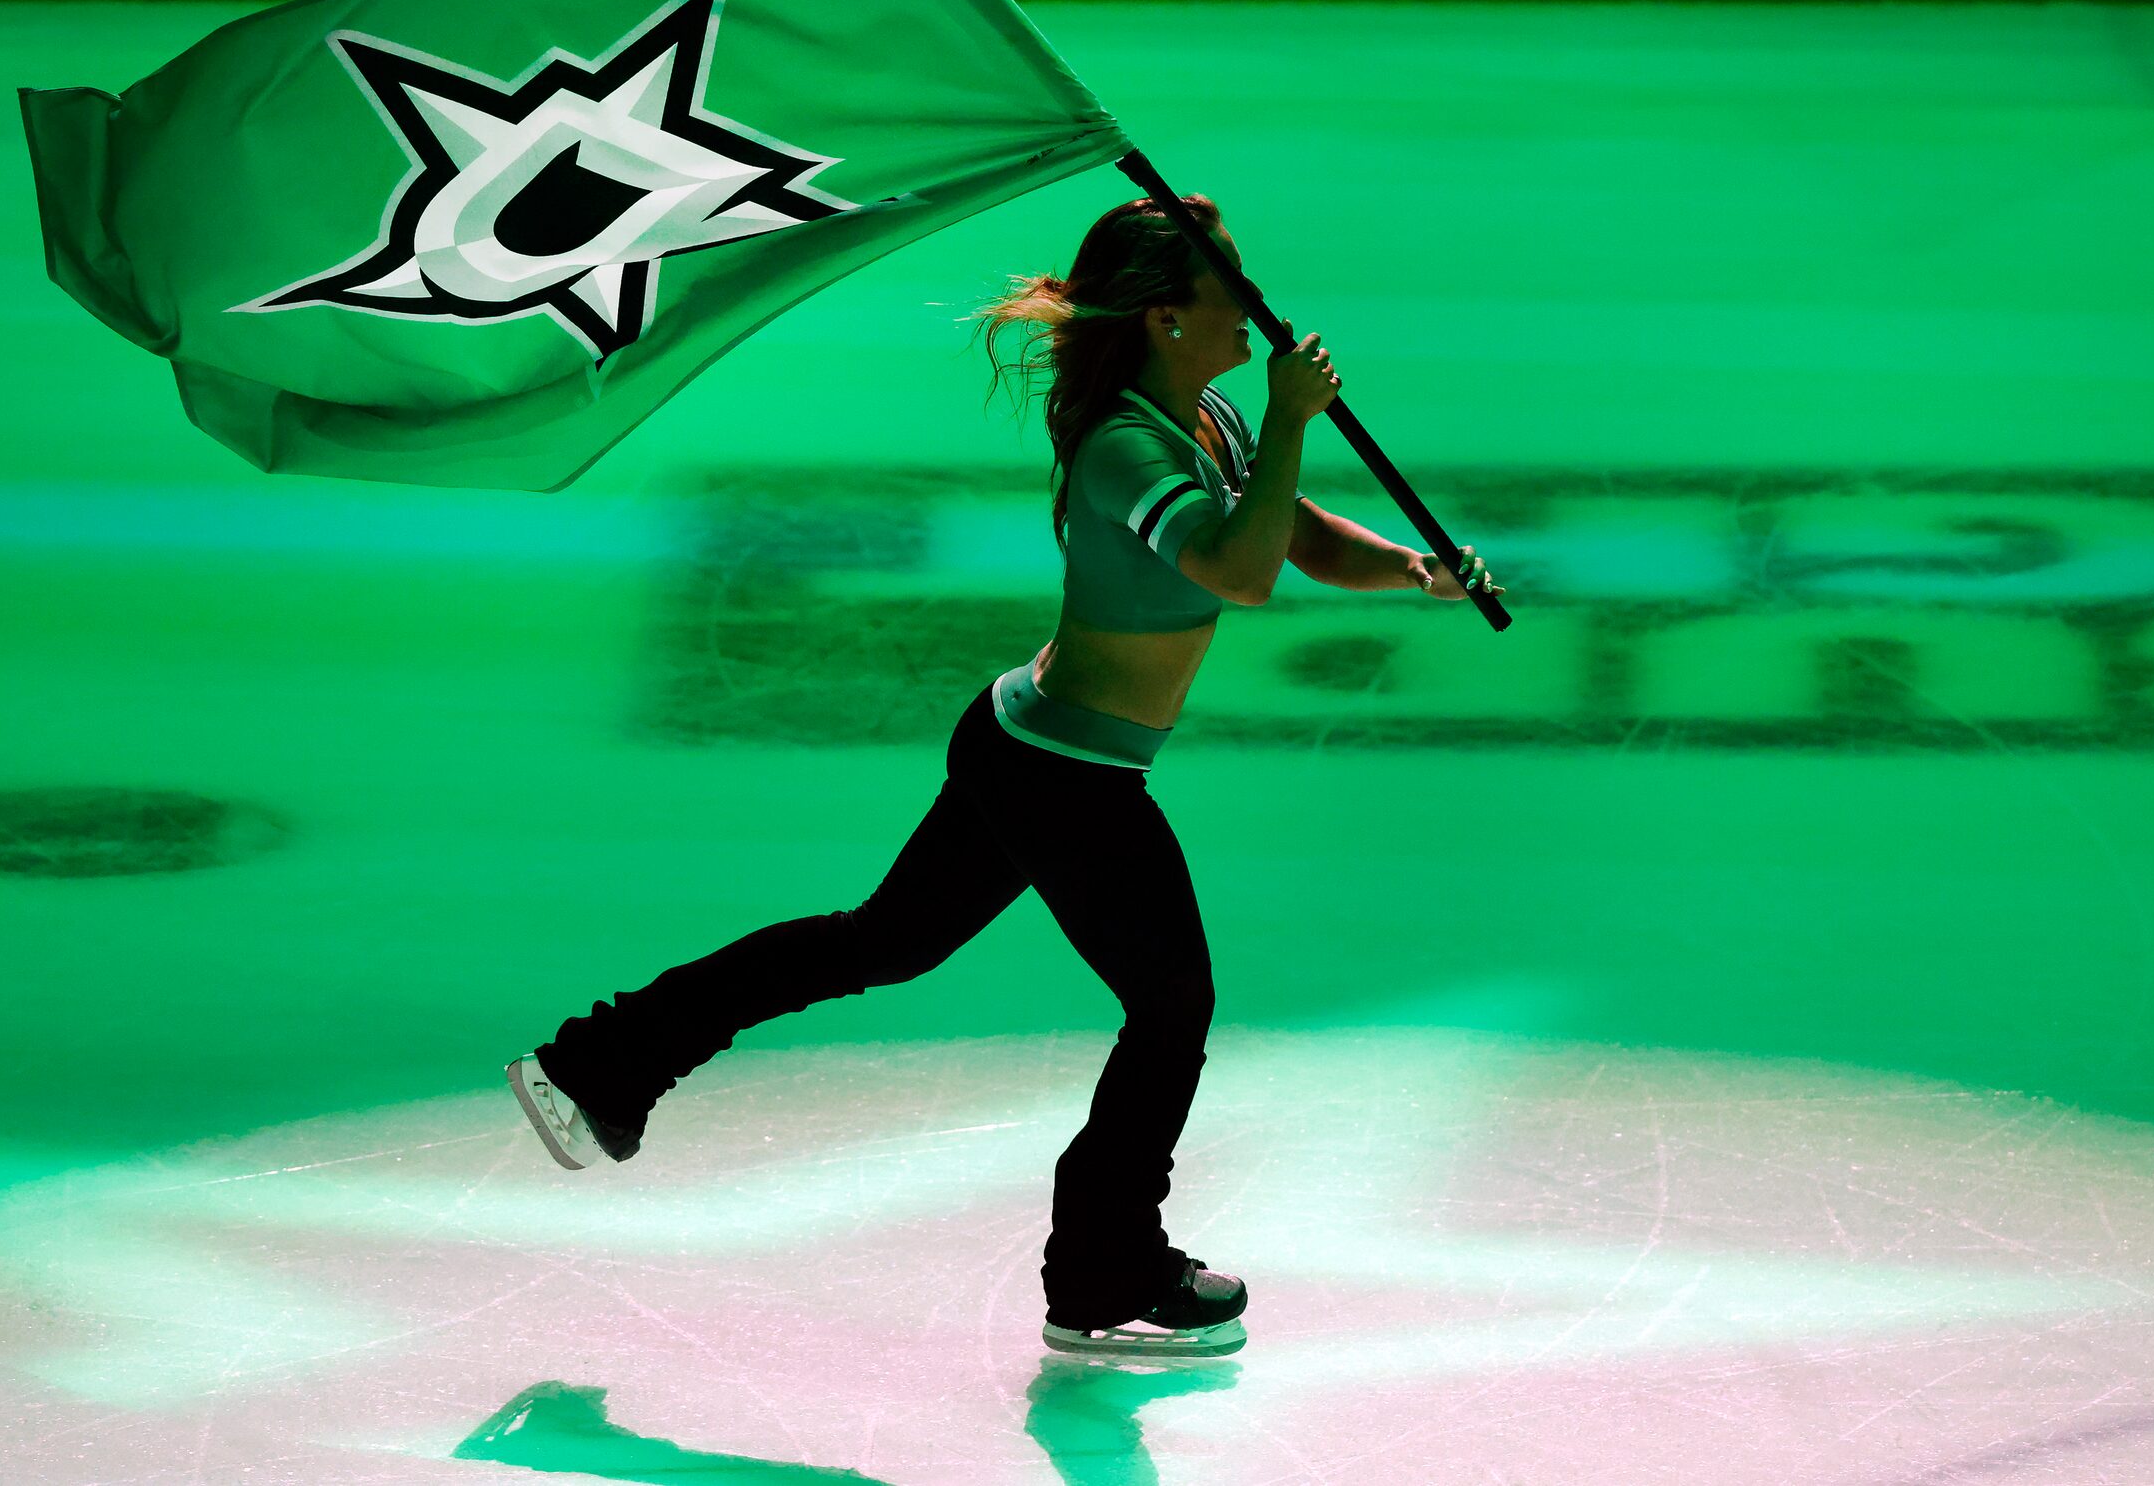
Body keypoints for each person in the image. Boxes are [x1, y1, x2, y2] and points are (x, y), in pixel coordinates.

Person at [508, 192, 1505, 1357]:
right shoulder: (1127, 445)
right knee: (1168, 1007)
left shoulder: (1211, 418)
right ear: (1164, 316)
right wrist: (1293, 420)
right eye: (1229, 289)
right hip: (1061, 775)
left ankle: (597, 1066)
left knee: (880, 942)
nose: (1256, 309)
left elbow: (1289, 531)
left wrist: (1411, 571)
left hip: (1026, 743)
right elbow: (1237, 571)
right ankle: (1100, 1275)